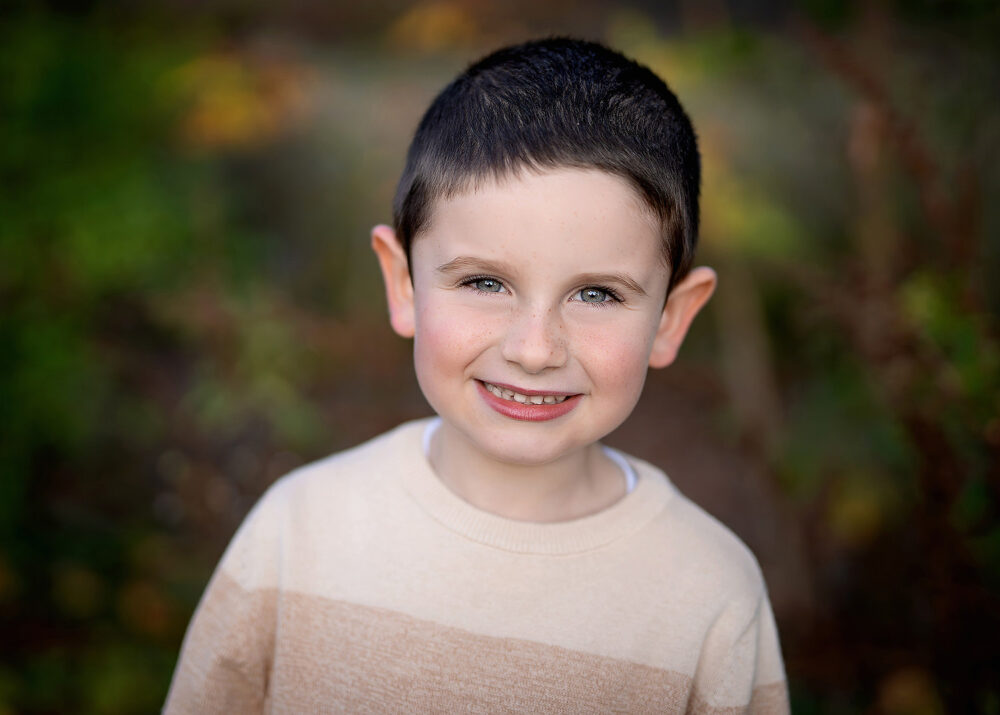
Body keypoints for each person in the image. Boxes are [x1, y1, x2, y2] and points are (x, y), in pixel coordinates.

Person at [165, 37, 789, 713]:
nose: (534, 348)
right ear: (403, 283)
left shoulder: (711, 593)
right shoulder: (298, 532)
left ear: (672, 317)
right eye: (485, 281)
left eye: (597, 294)